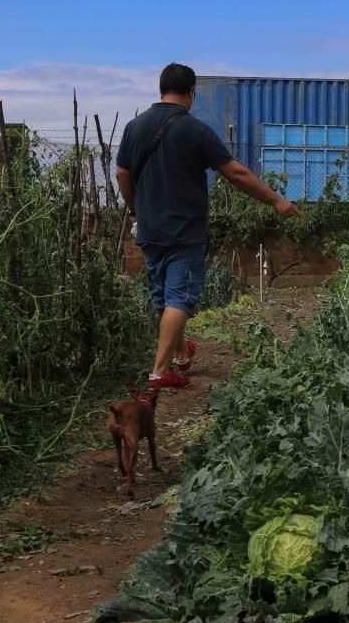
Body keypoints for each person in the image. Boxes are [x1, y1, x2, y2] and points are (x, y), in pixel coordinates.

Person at [116, 63, 300, 389]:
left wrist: (135, 210)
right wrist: (276, 201)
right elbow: (235, 174)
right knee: (179, 298)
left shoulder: (134, 127)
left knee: (163, 299)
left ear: (160, 89)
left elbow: (122, 174)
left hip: (149, 229)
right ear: (191, 93)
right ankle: (160, 371)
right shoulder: (195, 130)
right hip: (184, 230)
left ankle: (181, 356)